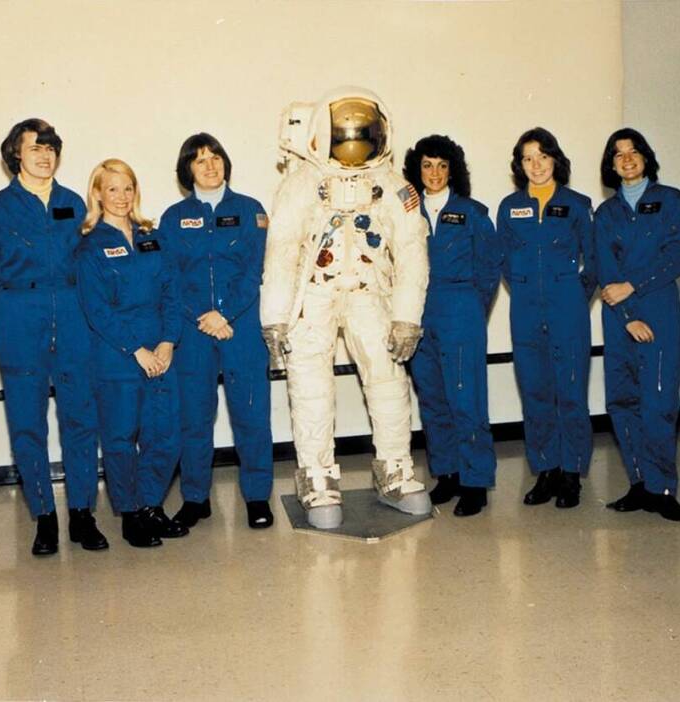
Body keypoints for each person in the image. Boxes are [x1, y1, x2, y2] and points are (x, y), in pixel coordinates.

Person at [261, 86, 431, 529]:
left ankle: (395, 469)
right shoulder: (301, 184)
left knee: (388, 380)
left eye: (363, 131)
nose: (354, 141)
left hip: (369, 294)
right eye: (346, 132)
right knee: (312, 388)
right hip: (312, 297)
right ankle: (316, 476)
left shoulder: (394, 186)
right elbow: (280, 250)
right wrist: (275, 318)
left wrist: (407, 317)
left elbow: (412, 252)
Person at [0, 118, 106, 556]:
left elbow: (91, 265)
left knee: (81, 421)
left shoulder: (73, 204)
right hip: (20, 324)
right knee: (27, 424)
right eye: (35, 148)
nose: (44, 155)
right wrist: (16, 314)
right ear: (16, 154)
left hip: (72, 321)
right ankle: (44, 517)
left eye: (50, 148)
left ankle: (82, 515)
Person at [158, 133, 274, 530]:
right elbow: (169, 278)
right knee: (193, 417)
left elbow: (254, 270)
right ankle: (195, 498)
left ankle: (257, 497)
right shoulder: (173, 219)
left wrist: (223, 312)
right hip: (193, 332)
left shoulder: (250, 210)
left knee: (251, 413)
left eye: (216, 158)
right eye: (200, 160)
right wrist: (201, 316)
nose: (210, 166)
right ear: (186, 169)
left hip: (240, 326)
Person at [76, 159, 188, 547]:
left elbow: (173, 294)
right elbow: (97, 310)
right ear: (98, 194)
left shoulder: (151, 237)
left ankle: (151, 503)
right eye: (112, 189)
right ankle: (130, 514)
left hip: (161, 352)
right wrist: (135, 349)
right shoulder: (90, 247)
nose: (121, 197)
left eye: (127, 188)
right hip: (118, 356)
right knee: (121, 439)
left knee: (166, 434)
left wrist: (168, 341)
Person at [595, 128, 680, 522]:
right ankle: (638, 484)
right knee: (622, 401)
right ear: (611, 165)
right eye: (618, 155)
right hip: (619, 316)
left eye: (634, 152)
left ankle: (662, 489)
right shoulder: (605, 214)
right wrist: (627, 315)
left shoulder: (671, 200)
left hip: (658, 310)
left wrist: (634, 288)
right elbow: (604, 268)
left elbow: (678, 255)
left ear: (646, 157)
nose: (627, 159)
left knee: (659, 402)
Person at [496, 127, 597, 509]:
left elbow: (595, 260)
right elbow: (503, 259)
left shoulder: (577, 204)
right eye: (527, 158)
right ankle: (547, 470)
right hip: (524, 310)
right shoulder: (509, 208)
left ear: (555, 159)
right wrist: (524, 288)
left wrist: (574, 294)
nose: (536, 165)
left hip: (567, 309)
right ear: (519, 165)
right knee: (535, 393)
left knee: (570, 393)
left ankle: (571, 474)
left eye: (542, 156)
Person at [402, 135, 501, 517]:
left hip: (459, 308)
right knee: (433, 398)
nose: (435, 173)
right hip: (418, 310)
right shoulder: (405, 211)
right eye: (428, 165)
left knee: (466, 399)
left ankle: (476, 482)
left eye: (443, 166)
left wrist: (472, 308)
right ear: (417, 170)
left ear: (453, 170)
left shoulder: (472, 212)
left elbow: (489, 268)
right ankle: (448, 474)